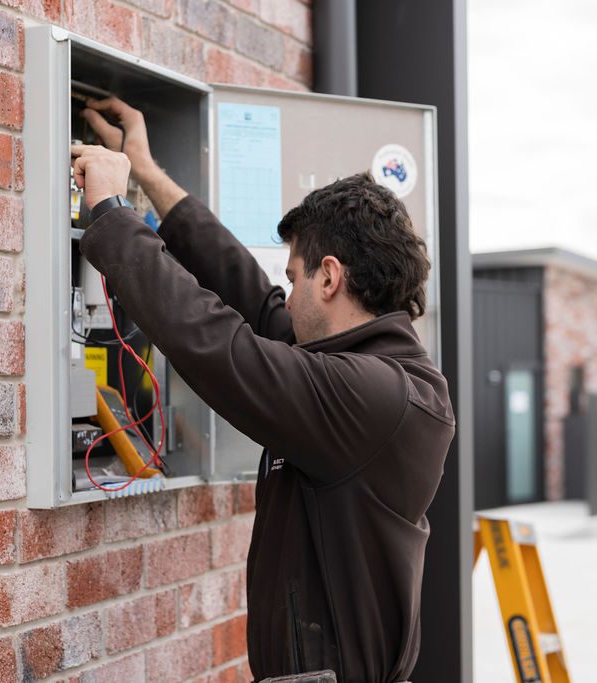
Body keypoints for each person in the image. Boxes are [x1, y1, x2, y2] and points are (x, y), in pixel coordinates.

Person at [72, 98, 455, 683]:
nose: (287, 290)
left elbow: (223, 348)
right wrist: (146, 172)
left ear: (329, 277)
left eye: (295, 276)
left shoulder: (376, 396)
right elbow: (253, 299)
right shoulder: (367, 369)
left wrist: (111, 213)